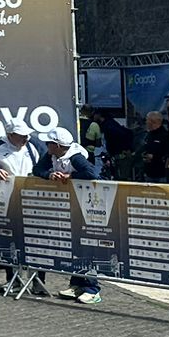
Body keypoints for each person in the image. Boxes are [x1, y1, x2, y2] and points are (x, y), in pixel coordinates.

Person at [33, 127, 104, 304]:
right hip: (69, 205)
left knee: (86, 245)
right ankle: (77, 283)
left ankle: (92, 289)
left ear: (57, 145)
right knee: (74, 245)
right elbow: (37, 169)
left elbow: (92, 173)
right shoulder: (52, 155)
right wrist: (50, 174)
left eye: (49, 143)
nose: (46, 146)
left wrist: (70, 175)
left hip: (87, 205)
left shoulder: (75, 157)